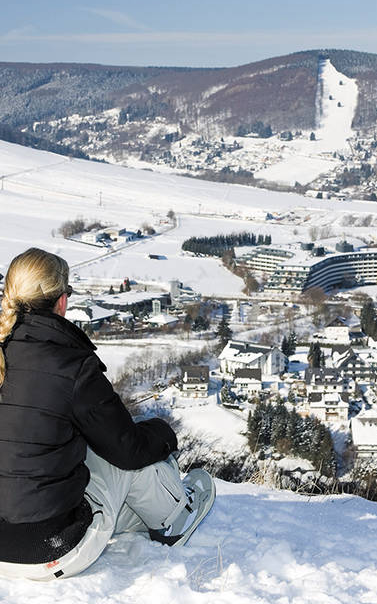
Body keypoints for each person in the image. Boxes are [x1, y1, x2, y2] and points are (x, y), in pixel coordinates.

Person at [0, 248, 215, 581]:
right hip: (51, 549)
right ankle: (176, 520)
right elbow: (128, 450)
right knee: (116, 453)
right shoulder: (71, 366)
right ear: (61, 301)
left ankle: (131, 517)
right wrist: (163, 433)